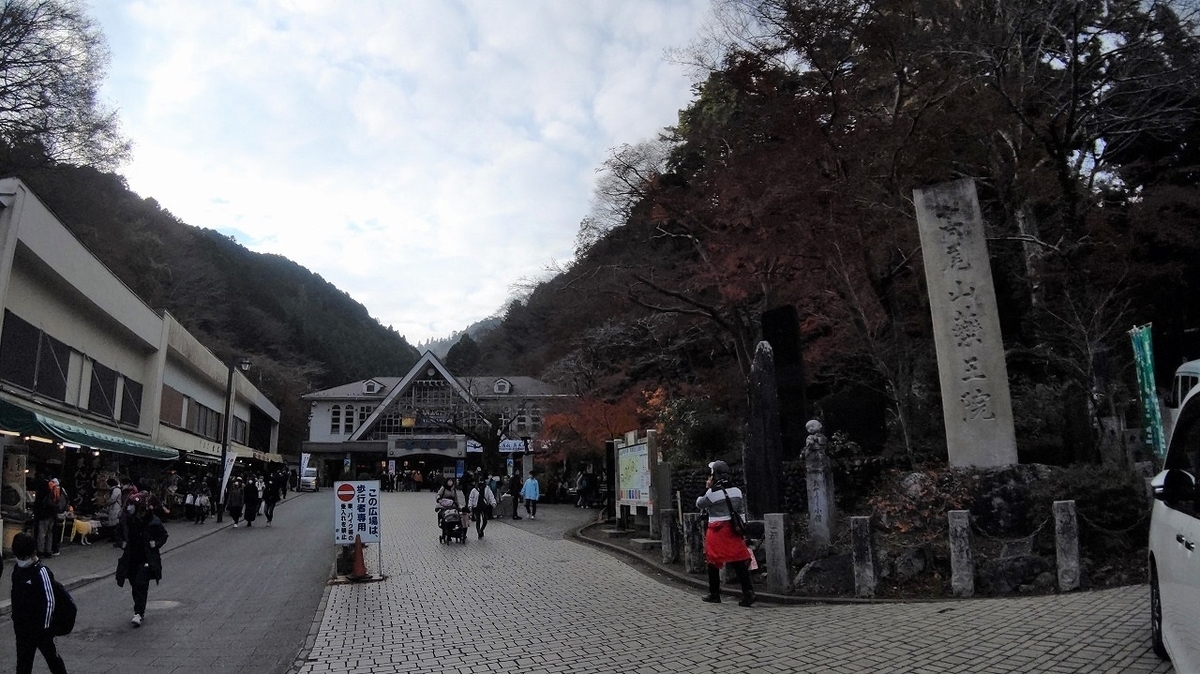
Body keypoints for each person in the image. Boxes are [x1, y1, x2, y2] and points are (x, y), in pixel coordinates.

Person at [695, 460, 756, 607]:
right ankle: (748, 592)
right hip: (733, 529)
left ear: (714, 475)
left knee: (713, 561)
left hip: (717, 530)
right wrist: (741, 528)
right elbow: (741, 511)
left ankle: (714, 593)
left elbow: (699, 503)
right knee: (738, 560)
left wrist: (707, 488)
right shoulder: (737, 491)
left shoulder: (712, 493)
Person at [10, 531, 69, 674]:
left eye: (22, 557)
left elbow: (49, 601)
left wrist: (46, 627)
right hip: (23, 628)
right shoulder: (17, 571)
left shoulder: (41, 572)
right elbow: (15, 597)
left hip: (42, 629)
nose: (20, 560)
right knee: (23, 662)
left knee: (53, 659)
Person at [116, 491, 169, 627]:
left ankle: (138, 612)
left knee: (141, 583)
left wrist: (155, 544)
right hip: (131, 557)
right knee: (134, 584)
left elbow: (163, 535)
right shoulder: (129, 520)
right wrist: (122, 543)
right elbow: (119, 532)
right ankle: (139, 609)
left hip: (147, 558)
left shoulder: (154, 521)